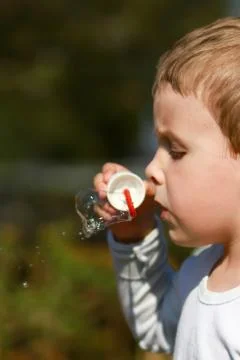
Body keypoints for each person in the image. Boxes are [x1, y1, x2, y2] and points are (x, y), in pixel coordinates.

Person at [93, 17, 240, 359]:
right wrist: (135, 235)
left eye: (176, 150)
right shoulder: (200, 270)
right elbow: (156, 326)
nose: (151, 169)